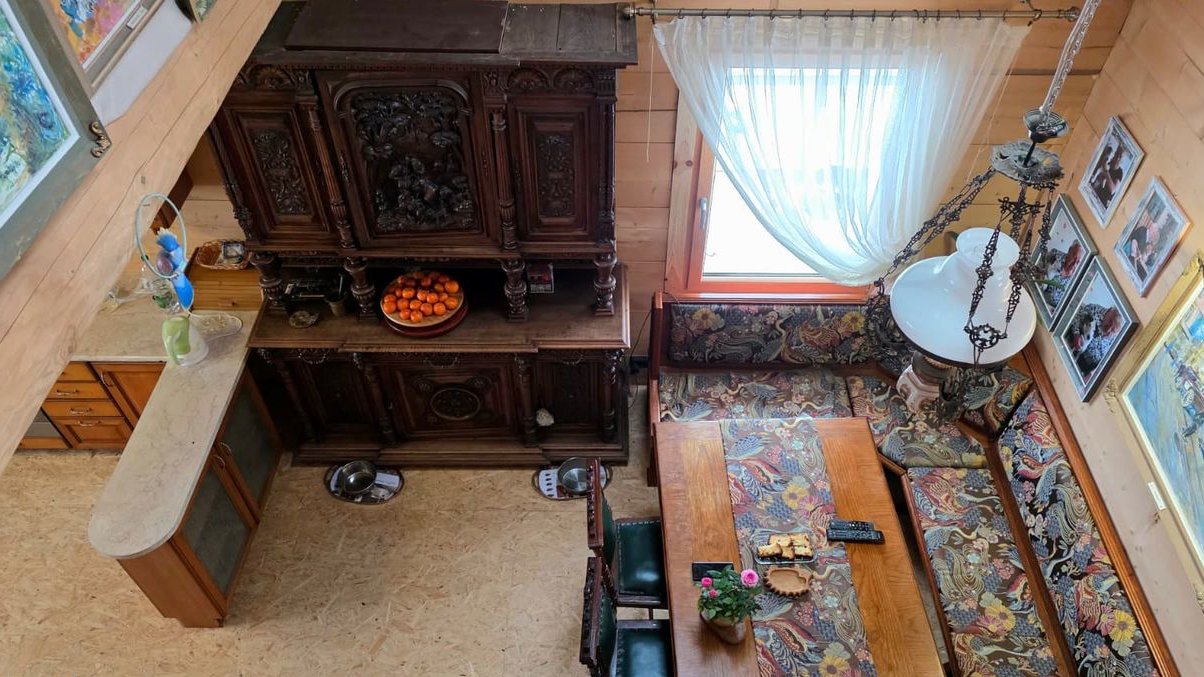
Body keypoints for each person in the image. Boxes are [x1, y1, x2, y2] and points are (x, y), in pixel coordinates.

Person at [1071, 305, 1124, 379]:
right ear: (1110, 311)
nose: (1108, 330)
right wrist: (1076, 334)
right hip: (1071, 349)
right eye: (1110, 322)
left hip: (1086, 371)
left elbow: (1106, 363)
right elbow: (1074, 317)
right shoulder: (1093, 310)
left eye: (1113, 330)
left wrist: (1091, 375)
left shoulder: (1116, 340)